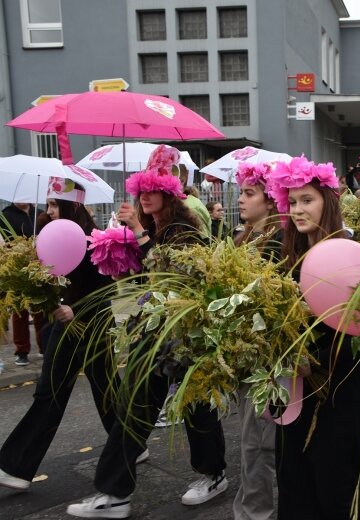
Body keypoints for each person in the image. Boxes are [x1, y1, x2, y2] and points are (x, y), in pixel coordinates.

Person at [66, 145, 228, 519]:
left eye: (152, 191)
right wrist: (120, 253)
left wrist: (138, 233)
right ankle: (114, 493)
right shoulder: (152, 226)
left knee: (197, 406)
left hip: (183, 332)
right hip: (151, 330)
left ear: (169, 193)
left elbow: (177, 273)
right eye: (141, 191)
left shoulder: (184, 227)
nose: (145, 197)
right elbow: (145, 279)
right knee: (134, 407)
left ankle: (214, 473)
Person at [267, 155, 360, 519]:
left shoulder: (351, 250)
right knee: (294, 481)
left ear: (328, 201)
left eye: (308, 200)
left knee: (337, 488)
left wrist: (311, 358)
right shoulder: (288, 251)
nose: (298, 209)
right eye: (293, 201)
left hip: (340, 383)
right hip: (294, 386)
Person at [0, 179, 120, 492]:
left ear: (71, 205)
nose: (49, 211)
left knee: (87, 390)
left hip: (91, 325)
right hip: (65, 326)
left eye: (55, 205)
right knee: (92, 390)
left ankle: (15, 464)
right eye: (49, 204)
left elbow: (106, 289)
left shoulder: (95, 240)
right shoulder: (51, 234)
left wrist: (75, 310)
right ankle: (129, 444)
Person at [231, 162, 282, 520]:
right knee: (257, 444)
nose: (241, 200)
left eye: (250, 193)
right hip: (245, 355)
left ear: (270, 199)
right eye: (241, 192)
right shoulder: (245, 238)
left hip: (266, 359)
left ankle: (254, 513)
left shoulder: (278, 242)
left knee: (258, 445)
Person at [1, 202, 46, 366]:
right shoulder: (5, 216)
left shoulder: (41, 214)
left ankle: (44, 347)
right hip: (16, 269)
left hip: (39, 268)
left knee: (41, 308)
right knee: (19, 311)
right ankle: (21, 351)